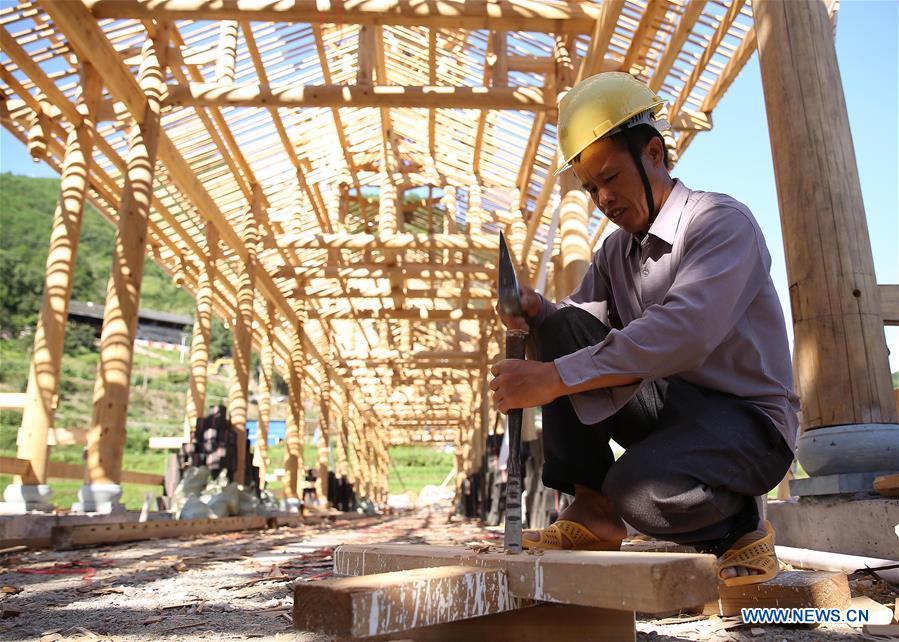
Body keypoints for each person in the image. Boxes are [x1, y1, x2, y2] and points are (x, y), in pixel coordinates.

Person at [489, 72, 799, 587]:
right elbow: (578, 326)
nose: (602, 199)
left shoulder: (721, 224)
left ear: (653, 152)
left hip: (749, 424)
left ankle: (741, 526)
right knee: (560, 328)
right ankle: (592, 512)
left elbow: (683, 332)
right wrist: (536, 310)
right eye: (591, 189)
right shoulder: (615, 252)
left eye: (610, 178)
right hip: (674, 408)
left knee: (638, 491)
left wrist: (552, 378)